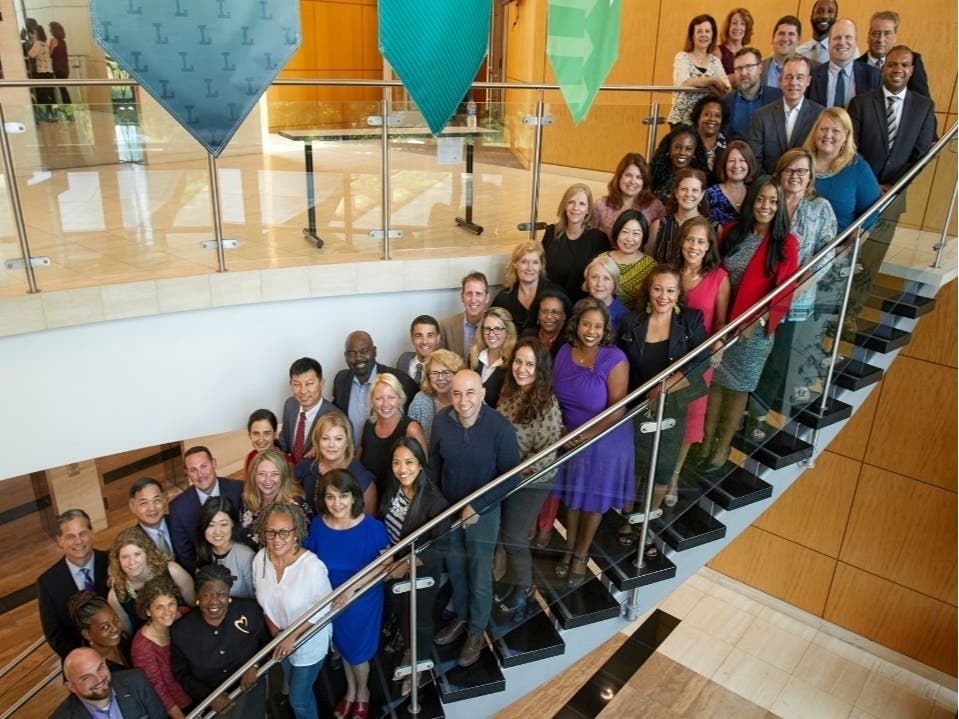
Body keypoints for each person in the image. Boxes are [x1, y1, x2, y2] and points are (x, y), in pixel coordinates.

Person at [699, 178, 799, 473]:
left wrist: (761, 320)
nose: (765, 206)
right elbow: (715, 274)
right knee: (715, 384)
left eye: (772, 201)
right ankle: (705, 442)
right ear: (751, 201)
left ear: (780, 207)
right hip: (722, 324)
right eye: (760, 199)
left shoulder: (786, 244)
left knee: (738, 388)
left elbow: (786, 291)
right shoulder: (732, 233)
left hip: (752, 331)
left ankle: (722, 446)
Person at [430, 370, 521, 667]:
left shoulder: (500, 428)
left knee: (480, 574)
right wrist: (442, 507)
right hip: (450, 510)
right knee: (456, 569)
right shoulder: (442, 421)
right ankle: (463, 618)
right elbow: (434, 468)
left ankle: (477, 632)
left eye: (470, 393)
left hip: (483, 513)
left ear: (482, 393)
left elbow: (511, 478)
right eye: (457, 393)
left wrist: (477, 506)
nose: (463, 400)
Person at [618, 267, 708, 553]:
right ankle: (628, 516)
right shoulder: (632, 321)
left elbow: (701, 362)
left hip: (672, 409)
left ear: (679, 293)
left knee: (662, 470)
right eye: (658, 289)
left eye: (670, 290)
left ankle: (646, 525)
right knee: (634, 466)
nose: (663, 296)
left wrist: (665, 387)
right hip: (635, 407)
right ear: (649, 290)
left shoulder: (691, 322)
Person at [751, 148, 838, 429]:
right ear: (780, 173)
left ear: (811, 175)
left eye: (802, 171)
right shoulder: (770, 201)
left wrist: (798, 288)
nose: (795, 176)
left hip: (797, 297)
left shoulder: (819, 207)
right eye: (790, 170)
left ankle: (758, 415)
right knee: (755, 349)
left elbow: (828, 253)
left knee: (779, 355)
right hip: (761, 292)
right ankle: (743, 403)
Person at [550, 299, 633, 584]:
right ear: (577, 324)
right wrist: (561, 430)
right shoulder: (563, 352)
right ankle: (569, 548)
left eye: (598, 326)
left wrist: (584, 436)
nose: (591, 331)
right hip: (569, 434)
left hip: (605, 436)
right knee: (572, 497)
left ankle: (581, 554)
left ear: (606, 329)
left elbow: (617, 409)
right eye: (587, 324)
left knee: (592, 501)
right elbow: (551, 397)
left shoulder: (615, 358)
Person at [304, 471, 389, 719]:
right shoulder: (319, 525)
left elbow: (384, 567)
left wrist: (352, 589)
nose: (337, 503)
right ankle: (350, 691)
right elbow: (310, 561)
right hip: (330, 599)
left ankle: (363, 693)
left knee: (358, 653)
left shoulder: (373, 528)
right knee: (343, 648)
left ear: (354, 497)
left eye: (343, 496)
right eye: (330, 497)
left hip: (361, 601)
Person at [494, 338, 563, 617]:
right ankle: (516, 584)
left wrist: (513, 473)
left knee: (513, 536)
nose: (522, 369)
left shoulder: (546, 403)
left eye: (529, 364)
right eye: (518, 362)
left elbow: (546, 455)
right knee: (506, 534)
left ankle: (525, 589)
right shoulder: (509, 392)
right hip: (507, 477)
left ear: (540, 369)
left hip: (533, 480)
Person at [380, 438, 450, 694]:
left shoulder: (434, 501)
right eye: (397, 463)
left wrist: (408, 563)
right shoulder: (393, 487)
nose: (402, 469)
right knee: (403, 613)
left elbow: (441, 548)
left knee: (418, 620)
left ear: (421, 465)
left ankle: (417, 666)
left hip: (419, 573)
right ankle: (408, 648)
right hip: (393, 566)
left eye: (409, 462)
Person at [253, 503, 332, 719]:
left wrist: (292, 636)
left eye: (284, 532)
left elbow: (326, 607)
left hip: (309, 642)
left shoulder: (312, 567)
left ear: (296, 533)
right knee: (299, 693)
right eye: (271, 532)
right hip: (280, 641)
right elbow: (264, 603)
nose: (277, 539)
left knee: (298, 698)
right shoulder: (260, 559)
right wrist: (277, 635)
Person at [671, 217, 731, 494]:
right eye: (690, 239)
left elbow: (720, 322)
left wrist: (717, 345)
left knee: (690, 420)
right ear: (681, 241)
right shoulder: (669, 273)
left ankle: (672, 476)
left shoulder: (719, 278)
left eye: (701, 241)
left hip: (698, 360)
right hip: (666, 356)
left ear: (709, 247)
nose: (694, 246)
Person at [171, 564, 268, 719]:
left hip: (250, 687)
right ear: (198, 597)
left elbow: (266, 643)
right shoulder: (181, 631)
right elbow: (182, 674)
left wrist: (254, 666)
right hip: (212, 703)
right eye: (207, 595)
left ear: (228, 594)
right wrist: (210, 696)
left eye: (221, 594)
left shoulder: (250, 611)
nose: (214, 602)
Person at [848, 46, 936, 195]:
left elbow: (920, 155)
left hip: (896, 192)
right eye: (892, 64)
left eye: (905, 65)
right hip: (859, 188)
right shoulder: (860, 103)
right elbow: (851, 148)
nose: (898, 69)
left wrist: (894, 185)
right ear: (883, 68)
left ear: (912, 71)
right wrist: (871, 184)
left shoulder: (924, 107)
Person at [38, 508, 110, 659]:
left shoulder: (112, 562)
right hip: (81, 662)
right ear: (60, 541)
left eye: (83, 533)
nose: (78, 541)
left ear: (92, 533)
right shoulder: (48, 583)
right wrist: (86, 659)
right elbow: (55, 634)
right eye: (70, 536)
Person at [333, 332, 419, 446]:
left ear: (374, 351)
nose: (358, 358)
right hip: (350, 457)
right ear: (345, 356)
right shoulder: (341, 379)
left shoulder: (400, 380)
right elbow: (335, 415)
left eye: (364, 351)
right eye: (351, 353)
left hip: (389, 457)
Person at [803, 106, 880, 232]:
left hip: (837, 247)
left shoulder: (859, 169)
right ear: (815, 132)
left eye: (835, 131)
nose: (828, 135)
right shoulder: (799, 161)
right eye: (823, 129)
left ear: (846, 136)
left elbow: (871, 215)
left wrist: (847, 247)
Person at [168, 445, 243, 574]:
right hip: (205, 572)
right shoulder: (178, 507)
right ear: (187, 474)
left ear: (214, 463)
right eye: (193, 470)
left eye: (204, 466)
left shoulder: (239, 490)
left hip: (242, 563)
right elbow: (185, 553)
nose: (200, 474)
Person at [106, 528, 195, 636]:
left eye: (137, 554)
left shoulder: (173, 571)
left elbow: (195, 606)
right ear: (117, 560)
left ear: (148, 554)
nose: (131, 562)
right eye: (125, 557)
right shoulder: (116, 596)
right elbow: (128, 635)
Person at [748, 55, 825, 174]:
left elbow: (822, 159)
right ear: (780, 81)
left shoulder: (820, 115)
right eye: (788, 77)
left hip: (806, 188)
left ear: (808, 81)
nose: (793, 82)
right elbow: (754, 162)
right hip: (769, 187)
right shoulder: (761, 116)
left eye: (800, 77)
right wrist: (771, 188)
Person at [131, 576, 192, 719]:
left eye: (171, 604)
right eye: (159, 607)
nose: (167, 612)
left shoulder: (183, 614)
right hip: (182, 706)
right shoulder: (142, 648)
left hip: (199, 688)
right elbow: (158, 689)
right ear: (147, 611)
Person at [357, 372, 428, 496]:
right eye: (379, 398)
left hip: (398, 503)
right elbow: (357, 462)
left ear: (399, 398)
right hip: (368, 496)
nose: (385, 404)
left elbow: (424, 470)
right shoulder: (368, 425)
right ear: (372, 401)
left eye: (391, 397)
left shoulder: (411, 429)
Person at [295, 412, 378, 515]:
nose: (331, 445)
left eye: (338, 439)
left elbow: (367, 523)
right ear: (317, 441)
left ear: (347, 442)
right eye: (325, 438)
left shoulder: (361, 478)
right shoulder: (305, 468)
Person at [52, 647, 165, 719]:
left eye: (100, 668)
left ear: (105, 662)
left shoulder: (136, 682)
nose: (99, 679)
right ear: (71, 686)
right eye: (87, 677)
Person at [542, 183, 609, 303]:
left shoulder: (598, 239)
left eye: (582, 204)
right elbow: (541, 271)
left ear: (588, 209)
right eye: (571, 202)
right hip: (551, 302)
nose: (575, 208)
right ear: (564, 205)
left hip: (582, 305)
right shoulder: (551, 232)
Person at [239, 448, 313, 549]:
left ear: (283, 477)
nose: (268, 480)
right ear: (253, 476)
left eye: (274, 474)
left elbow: (303, 546)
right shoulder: (246, 501)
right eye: (262, 474)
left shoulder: (297, 507)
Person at [667, 14, 731, 127]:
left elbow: (726, 87)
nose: (704, 35)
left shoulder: (715, 61)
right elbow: (686, 82)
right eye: (699, 31)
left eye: (707, 31)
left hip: (706, 121)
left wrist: (707, 83)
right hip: (682, 119)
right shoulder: (682, 57)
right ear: (692, 35)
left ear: (712, 35)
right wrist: (712, 81)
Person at [490, 240, 561, 332]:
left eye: (535, 262)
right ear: (515, 264)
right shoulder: (503, 298)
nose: (530, 267)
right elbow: (491, 328)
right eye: (524, 262)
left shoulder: (556, 294)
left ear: (541, 266)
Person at [592, 152, 666, 239]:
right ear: (619, 177)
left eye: (639, 177)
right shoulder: (601, 205)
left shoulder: (655, 207)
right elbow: (589, 238)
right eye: (628, 175)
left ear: (644, 181)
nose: (633, 181)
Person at [807, 19, 880, 108]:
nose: (842, 42)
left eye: (848, 37)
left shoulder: (873, 76)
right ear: (829, 42)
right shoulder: (812, 76)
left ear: (856, 41)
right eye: (837, 37)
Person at [278, 357, 339, 463]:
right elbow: (284, 439)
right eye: (297, 384)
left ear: (321, 384)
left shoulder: (335, 416)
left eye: (309, 384)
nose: (303, 391)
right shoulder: (290, 405)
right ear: (291, 385)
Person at [194, 496, 256, 599]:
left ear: (232, 524)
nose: (217, 531)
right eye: (211, 525)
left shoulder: (245, 556)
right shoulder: (203, 552)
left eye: (223, 524)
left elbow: (255, 597)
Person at [855, 12, 928, 97]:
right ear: (868, 36)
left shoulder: (912, 60)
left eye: (887, 34)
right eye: (876, 33)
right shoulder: (855, 65)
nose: (881, 39)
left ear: (895, 37)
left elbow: (922, 102)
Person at [649, 168, 712, 264]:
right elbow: (647, 263)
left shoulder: (713, 227)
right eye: (684, 189)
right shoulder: (658, 226)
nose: (688, 194)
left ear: (702, 195)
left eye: (694, 190)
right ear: (676, 192)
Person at [723, 47, 783, 141]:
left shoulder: (778, 97)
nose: (743, 73)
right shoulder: (725, 102)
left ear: (760, 68)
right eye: (739, 68)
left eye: (748, 67)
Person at [407, 348, 464, 445]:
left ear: (457, 374)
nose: (440, 378)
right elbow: (410, 440)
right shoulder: (420, 400)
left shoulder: (467, 398)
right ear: (428, 376)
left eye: (446, 372)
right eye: (435, 373)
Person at [602, 209, 656, 308]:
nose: (629, 238)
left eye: (636, 233)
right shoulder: (603, 260)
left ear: (643, 236)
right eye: (625, 232)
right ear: (617, 232)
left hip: (636, 320)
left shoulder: (651, 266)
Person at [468, 306, 518, 407]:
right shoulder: (474, 357)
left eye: (497, 329)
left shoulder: (513, 363)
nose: (491, 334)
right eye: (487, 329)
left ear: (508, 332)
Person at [69, 591, 131, 670]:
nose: (115, 628)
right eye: (105, 627)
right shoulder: (94, 669)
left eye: (115, 619)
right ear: (87, 634)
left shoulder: (124, 639)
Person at [650, 124, 709, 201]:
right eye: (677, 147)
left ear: (695, 152)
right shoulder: (655, 173)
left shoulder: (700, 179)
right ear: (669, 148)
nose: (682, 152)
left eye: (688, 149)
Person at [705, 141, 757, 228]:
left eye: (742, 160)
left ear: (749, 164)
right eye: (731, 160)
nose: (736, 165)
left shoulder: (755, 195)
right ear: (724, 165)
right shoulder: (710, 194)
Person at [439, 271, 490, 360]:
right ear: (462, 297)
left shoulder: (494, 327)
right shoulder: (446, 326)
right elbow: (440, 362)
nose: (473, 300)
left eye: (478, 294)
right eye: (469, 293)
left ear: (487, 298)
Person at [128, 477, 174, 558]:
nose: (152, 508)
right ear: (132, 507)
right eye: (144, 503)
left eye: (157, 500)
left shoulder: (180, 521)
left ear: (164, 500)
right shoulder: (132, 542)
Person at [521, 287, 572, 359]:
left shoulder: (570, 342)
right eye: (544, 311)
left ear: (564, 316)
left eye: (555, 312)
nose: (549, 316)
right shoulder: (527, 336)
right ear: (538, 314)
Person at [583, 254, 628, 332]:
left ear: (615, 283)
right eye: (594, 277)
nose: (599, 284)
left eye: (606, 278)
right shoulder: (579, 306)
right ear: (587, 281)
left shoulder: (624, 317)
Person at [759, 16, 805, 91]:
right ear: (772, 38)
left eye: (791, 34)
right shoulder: (759, 69)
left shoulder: (811, 70)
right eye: (781, 33)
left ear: (799, 40)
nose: (785, 38)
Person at [395, 315, 443, 385]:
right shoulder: (403, 360)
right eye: (419, 336)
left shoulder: (445, 368)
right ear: (412, 339)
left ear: (438, 338)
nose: (424, 342)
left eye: (430, 335)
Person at [244, 408, 291, 473]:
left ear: (274, 434)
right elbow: (247, 483)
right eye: (256, 433)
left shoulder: (287, 463)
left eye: (267, 433)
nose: (261, 439)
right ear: (249, 435)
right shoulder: (251, 457)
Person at [714, 8, 754, 79]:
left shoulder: (749, 54)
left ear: (746, 29)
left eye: (742, 24)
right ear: (728, 26)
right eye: (734, 23)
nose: (738, 27)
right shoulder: (717, 51)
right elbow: (714, 81)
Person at [796, 0, 838, 65]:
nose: (824, 16)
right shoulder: (797, 53)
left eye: (830, 11)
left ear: (835, 18)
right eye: (819, 11)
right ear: (811, 16)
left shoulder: (845, 53)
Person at [691, 95, 726, 172]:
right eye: (707, 114)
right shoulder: (687, 142)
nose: (712, 119)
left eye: (717, 115)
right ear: (698, 118)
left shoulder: (728, 146)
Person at [27, 25, 56, 115]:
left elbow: (31, 54)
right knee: (50, 93)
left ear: (37, 33)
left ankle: (44, 113)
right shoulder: (45, 43)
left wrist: (31, 44)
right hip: (49, 71)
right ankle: (52, 111)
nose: (33, 34)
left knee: (42, 93)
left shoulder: (38, 44)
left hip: (41, 72)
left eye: (34, 32)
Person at [48, 21, 70, 105]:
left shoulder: (53, 40)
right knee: (63, 88)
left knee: (61, 89)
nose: (49, 31)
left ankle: (67, 105)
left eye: (50, 29)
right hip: (65, 68)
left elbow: (49, 53)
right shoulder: (63, 41)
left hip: (58, 67)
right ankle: (68, 105)